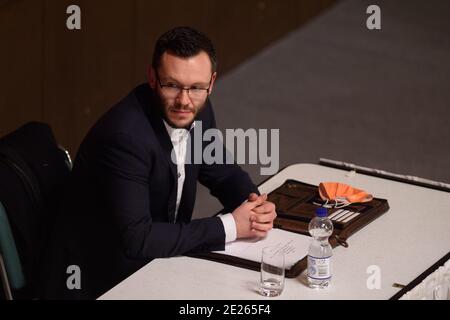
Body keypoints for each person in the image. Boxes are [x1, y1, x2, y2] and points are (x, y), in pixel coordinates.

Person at [42, 26, 276, 299]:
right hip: (101, 279)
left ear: (211, 83)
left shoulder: (198, 109)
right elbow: (137, 238)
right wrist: (232, 226)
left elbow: (222, 172)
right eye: (172, 85)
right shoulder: (125, 138)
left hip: (159, 259)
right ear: (152, 77)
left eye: (197, 88)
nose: (184, 101)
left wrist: (254, 206)